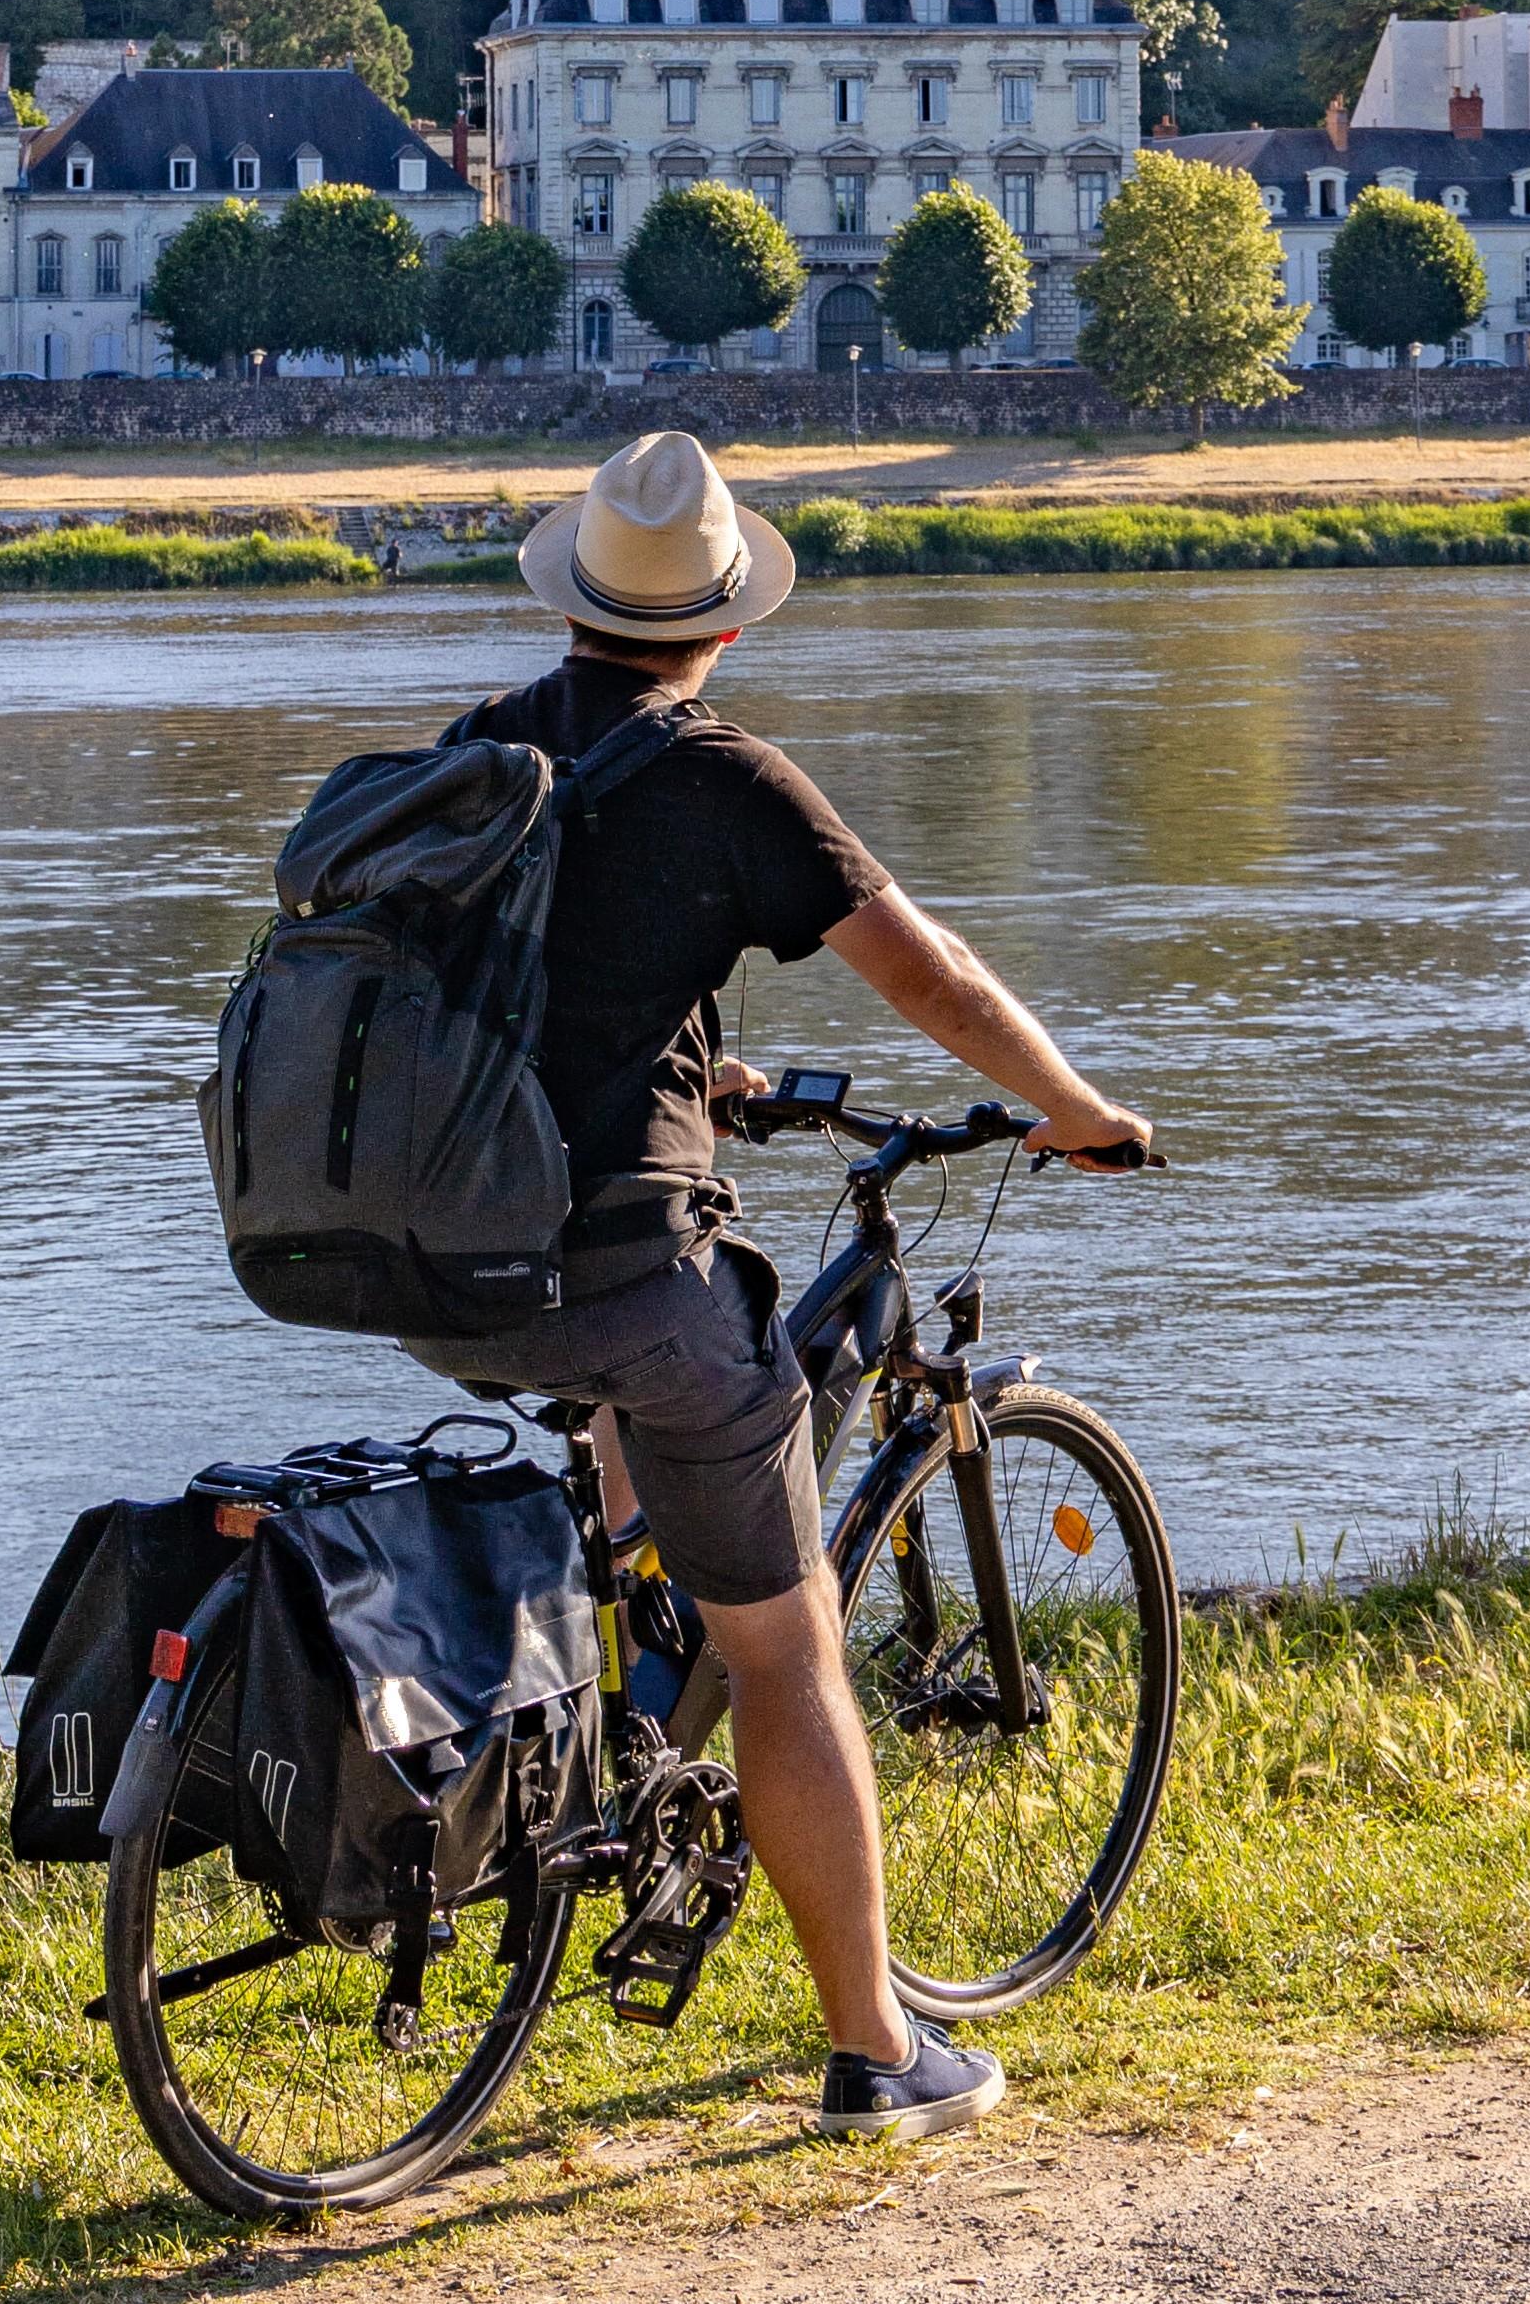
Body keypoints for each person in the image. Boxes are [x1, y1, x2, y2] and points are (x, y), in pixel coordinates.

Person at [393, 430, 1151, 2143]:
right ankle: (881, 2051)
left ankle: (623, 1749)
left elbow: (529, 983)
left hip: (436, 1257)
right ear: (724, 624)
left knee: (632, 1473)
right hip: (610, 1269)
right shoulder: (727, 779)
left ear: (580, 606)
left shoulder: (481, 751)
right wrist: (1076, 1110)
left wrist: (697, 1068)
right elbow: (935, 974)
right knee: (795, 1634)